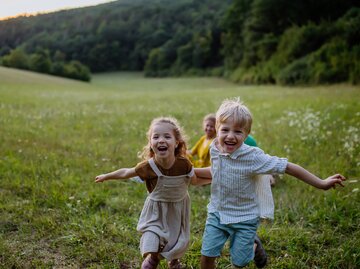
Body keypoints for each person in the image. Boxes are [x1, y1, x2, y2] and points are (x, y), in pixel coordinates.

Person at [195, 98, 346, 269]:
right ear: (217, 129)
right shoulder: (214, 148)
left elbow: (288, 167)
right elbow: (216, 171)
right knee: (207, 255)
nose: (230, 136)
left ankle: (253, 245)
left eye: (238, 131)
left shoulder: (253, 156)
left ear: (247, 134)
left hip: (245, 217)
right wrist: (192, 172)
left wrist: (321, 183)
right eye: (225, 130)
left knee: (240, 262)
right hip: (217, 213)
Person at [95, 117, 211, 269]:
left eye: (167, 136)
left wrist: (212, 179)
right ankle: (153, 258)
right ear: (150, 143)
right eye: (156, 137)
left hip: (178, 209)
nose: (161, 140)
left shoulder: (184, 164)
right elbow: (126, 172)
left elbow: (194, 181)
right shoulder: (148, 167)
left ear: (176, 143)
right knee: (152, 235)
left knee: (175, 239)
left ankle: (174, 261)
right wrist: (107, 176)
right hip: (155, 210)